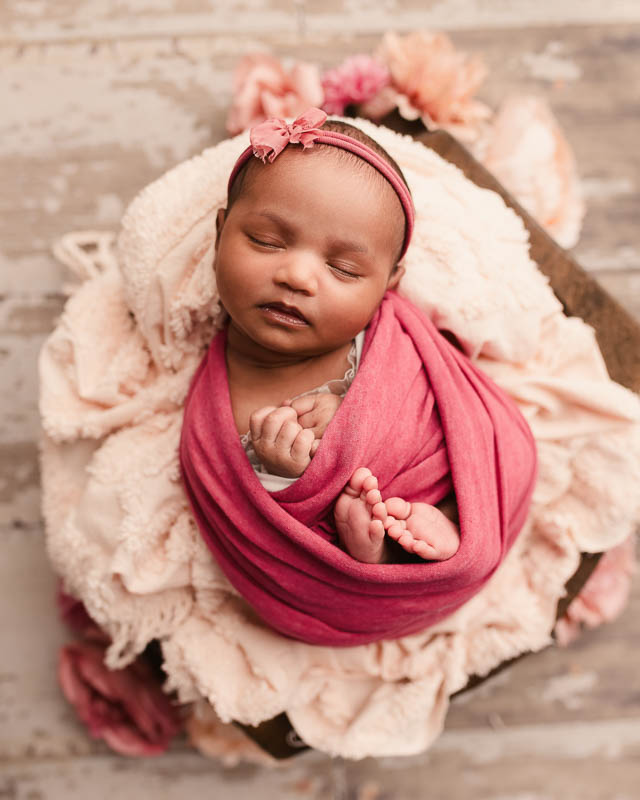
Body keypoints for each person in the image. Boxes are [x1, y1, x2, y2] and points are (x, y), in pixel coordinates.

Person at [212, 107, 460, 565]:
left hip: (431, 479)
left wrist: (356, 417)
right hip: (321, 547)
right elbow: (243, 516)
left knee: (464, 464)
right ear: (219, 233)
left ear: (388, 284)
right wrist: (284, 470)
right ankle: (377, 554)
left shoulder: (395, 340)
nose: (298, 277)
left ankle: (445, 519)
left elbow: (454, 404)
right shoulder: (213, 397)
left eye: (344, 269)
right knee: (343, 522)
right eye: (267, 241)